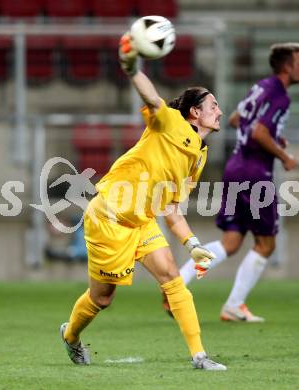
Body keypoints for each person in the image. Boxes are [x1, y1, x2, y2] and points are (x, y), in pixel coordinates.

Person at [59, 32, 226, 371]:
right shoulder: (169, 123)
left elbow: (172, 209)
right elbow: (152, 98)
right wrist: (132, 66)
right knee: (102, 299)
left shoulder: (198, 156)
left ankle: (199, 356)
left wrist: (192, 244)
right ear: (195, 112)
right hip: (109, 219)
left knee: (171, 278)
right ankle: (71, 336)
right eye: (213, 106)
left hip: (142, 221)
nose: (219, 112)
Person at [166, 42, 299, 322]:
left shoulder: (260, 86)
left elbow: (238, 119)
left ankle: (178, 283)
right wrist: (284, 155)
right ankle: (235, 305)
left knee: (230, 242)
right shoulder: (280, 96)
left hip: (235, 168)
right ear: (288, 65)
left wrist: (272, 138)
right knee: (266, 244)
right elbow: (259, 132)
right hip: (255, 175)